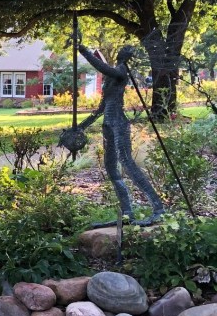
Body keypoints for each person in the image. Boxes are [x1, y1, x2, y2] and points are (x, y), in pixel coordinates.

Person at [61, 44, 164, 226]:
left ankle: (158, 209)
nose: (122, 51)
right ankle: (127, 214)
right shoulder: (111, 79)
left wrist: (83, 51)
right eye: (123, 48)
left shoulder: (120, 71)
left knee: (127, 164)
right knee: (111, 169)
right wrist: (79, 127)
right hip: (108, 125)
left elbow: (102, 68)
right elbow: (100, 109)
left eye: (126, 50)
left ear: (126, 57)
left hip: (119, 124)